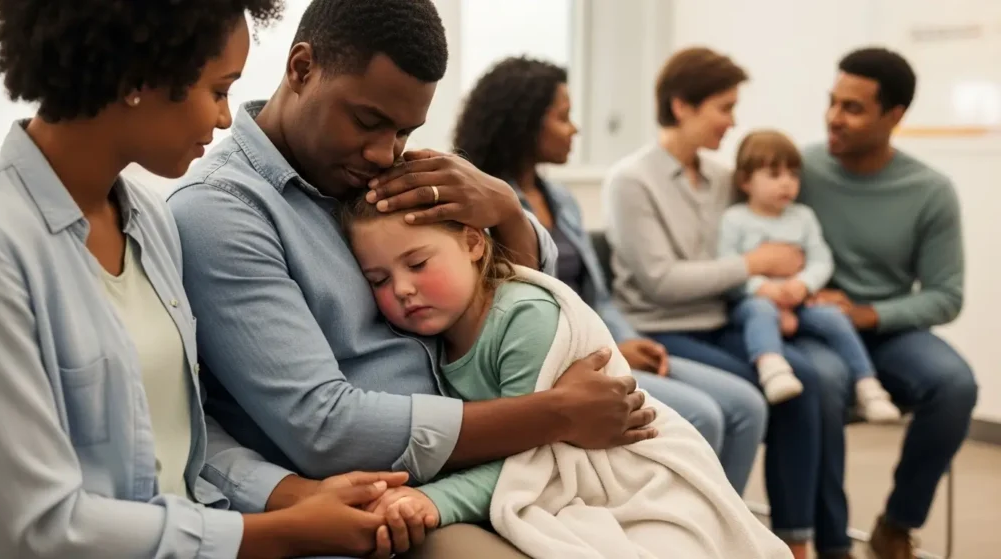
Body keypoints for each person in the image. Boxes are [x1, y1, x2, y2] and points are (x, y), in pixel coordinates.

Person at [167, 1, 656, 556]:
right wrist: (557, 415)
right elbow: (326, 429)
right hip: (402, 501)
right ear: (302, 69)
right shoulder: (222, 213)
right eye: (369, 121)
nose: (383, 151)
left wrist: (505, 211)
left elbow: (511, 290)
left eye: (403, 131)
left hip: (507, 454)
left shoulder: (379, 173)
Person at [0, 1, 425, 557]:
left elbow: (177, 432)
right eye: (219, 90)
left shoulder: (151, 220)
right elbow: (40, 526)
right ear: (139, 78)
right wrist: (283, 533)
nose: (223, 117)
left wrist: (297, 495)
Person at [337, 196, 790, 559]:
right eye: (378, 279)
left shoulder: (523, 318)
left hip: (629, 466)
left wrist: (435, 502)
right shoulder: (427, 337)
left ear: (474, 243)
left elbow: (527, 458)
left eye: (417, 264)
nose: (401, 289)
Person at [451, 56, 767, 494]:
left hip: (603, 338)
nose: (575, 129)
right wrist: (613, 345)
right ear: (523, 124)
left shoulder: (561, 199)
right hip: (560, 356)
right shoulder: (483, 202)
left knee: (747, 406)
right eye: (563, 118)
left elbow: (597, 296)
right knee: (703, 415)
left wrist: (624, 337)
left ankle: (717, 532)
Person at [602, 46, 845, 559]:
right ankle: (716, 539)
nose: (732, 123)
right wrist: (756, 266)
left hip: (720, 320)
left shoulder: (720, 177)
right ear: (682, 105)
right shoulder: (631, 180)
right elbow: (661, 283)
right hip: (664, 328)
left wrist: (783, 286)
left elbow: (754, 244)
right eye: (724, 108)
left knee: (802, 383)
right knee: (748, 402)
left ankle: (795, 540)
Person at [794, 47, 977, 559]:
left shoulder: (930, 191)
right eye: (832, 102)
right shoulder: (801, 168)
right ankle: (830, 541)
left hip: (887, 332)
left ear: (894, 116)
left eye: (852, 108)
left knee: (955, 384)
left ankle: (897, 525)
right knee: (823, 384)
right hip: (815, 327)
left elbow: (947, 295)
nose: (834, 118)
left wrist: (869, 314)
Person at [718, 129, 900, 423]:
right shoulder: (735, 219)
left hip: (799, 299)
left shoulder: (802, 217)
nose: (787, 183)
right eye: (774, 174)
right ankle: (772, 368)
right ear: (745, 181)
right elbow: (727, 266)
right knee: (761, 311)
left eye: (793, 174)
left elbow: (820, 259)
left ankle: (868, 386)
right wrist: (762, 287)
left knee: (833, 317)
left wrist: (803, 284)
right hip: (753, 301)